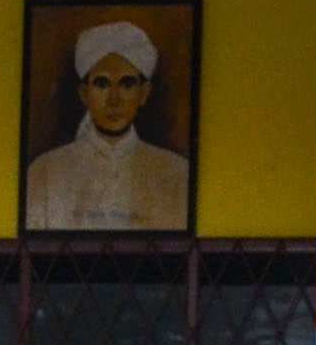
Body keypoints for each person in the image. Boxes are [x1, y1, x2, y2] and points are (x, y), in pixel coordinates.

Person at [24, 20, 193, 233]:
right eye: (102, 84)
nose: (114, 99)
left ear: (144, 93)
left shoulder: (175, 173)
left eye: (127, 84)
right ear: (84, 94)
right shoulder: (44, 172)